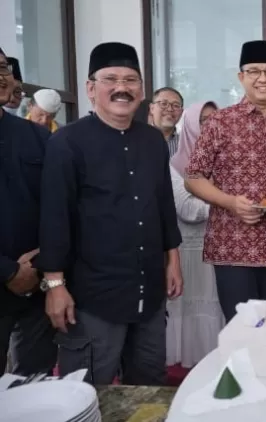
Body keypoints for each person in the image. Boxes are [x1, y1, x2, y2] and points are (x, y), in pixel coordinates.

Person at [38, 42, 183, 386]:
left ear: (141, 89)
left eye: (131, 80)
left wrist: (173, 261)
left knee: (149, 386)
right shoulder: (67, 143)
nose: (122, 88)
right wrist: (55, 286)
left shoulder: (152, 141)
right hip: (93, 297)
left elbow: (163, 204)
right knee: (89, 390)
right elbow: (54, 218)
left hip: (148, 290)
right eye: (111, 79)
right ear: (91, 88)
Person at [185, 41, 266, 322]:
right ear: (241, 76)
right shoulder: (220, 122)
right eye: (254, 71)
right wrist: (229, 202)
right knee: (242, 332)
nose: (262, 78)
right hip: (233, 246)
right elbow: (193, 177)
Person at [0, 47, 57, 376]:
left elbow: (60, 208)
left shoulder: (39, 138)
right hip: (8, 276)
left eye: (4, 67)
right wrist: (8, 271)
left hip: (38, 286)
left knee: (34, 388)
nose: (3, 76)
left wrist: (41, 267)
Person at [166, 100, 224, 368]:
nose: (211, 125)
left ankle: (211, 361)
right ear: (189, 125)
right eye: (203, 120)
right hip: (189, 247)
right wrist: (231, 204)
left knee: (214, 303)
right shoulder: (175, 164)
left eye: (215, 119)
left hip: (221, 247)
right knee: (191, 303)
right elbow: (187, 208)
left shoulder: (226, 160)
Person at [149, 87, 184, 157]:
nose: (170, 109)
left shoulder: (187, 144)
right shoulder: (137, 140)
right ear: (152, 108)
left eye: (176, 105)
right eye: (164, 104)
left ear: (181, 112)